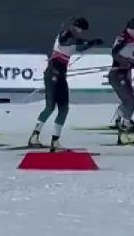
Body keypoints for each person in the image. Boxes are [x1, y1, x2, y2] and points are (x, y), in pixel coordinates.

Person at [29, 17, 103, 150]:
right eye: (81, 29)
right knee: (50, 107)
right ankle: (34, 136)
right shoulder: (66, 33)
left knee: (64, 108)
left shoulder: (73, 38)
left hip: (61, 75)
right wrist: (87, 41)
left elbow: (80, 48)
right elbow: (64, 40)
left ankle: (55, 140)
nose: (81, 32)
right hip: (53, 73)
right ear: (77, 27)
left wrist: (92, 43)